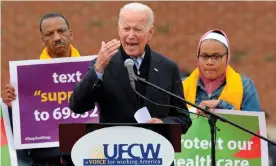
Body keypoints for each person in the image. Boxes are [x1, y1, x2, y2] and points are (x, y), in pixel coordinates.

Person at [70, 3, 192, 134]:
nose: (131, 35)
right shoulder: (103, 64)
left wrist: (163, 124)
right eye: (126, 29)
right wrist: (98, 69)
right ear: (119, 30)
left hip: (155, 149)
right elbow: (77, 106)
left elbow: (183, 118)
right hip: (115, 149)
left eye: (137, 30)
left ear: (150, 32)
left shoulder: (168, 68)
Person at [1, 12, 79, 166]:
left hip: (83, 155)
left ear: (71, 34)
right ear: (42, 40)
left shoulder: (92, 71)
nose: (57, 38)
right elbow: (20, 130)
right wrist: (11, 106)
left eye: (61, 31)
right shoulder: (27, 79)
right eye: (49, 34)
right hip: (45, 160)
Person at [182, 29, 261, 115]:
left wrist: (221, 105)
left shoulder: (245, 86)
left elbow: (253, 126)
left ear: (227, 57)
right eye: (204, 56)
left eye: (216, 57)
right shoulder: (182, 86)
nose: (209, 62)